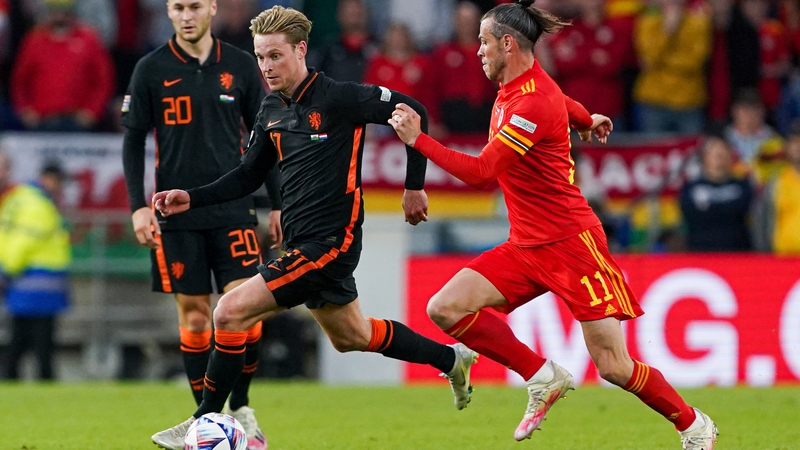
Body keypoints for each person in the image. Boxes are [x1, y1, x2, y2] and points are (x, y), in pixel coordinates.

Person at [387, 1, 719, 449]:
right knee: (445, 308)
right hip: (526, 245)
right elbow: (561, 101)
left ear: (507, 43)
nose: (478, 51)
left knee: (613, 365)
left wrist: (418, 140)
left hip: (571, 246)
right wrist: (586, 118)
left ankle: (694, 426)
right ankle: (542, 376)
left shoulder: (530, 103)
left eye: (484, 42)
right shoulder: (524, 87)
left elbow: (484, 174)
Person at [149, 6, 476, 449]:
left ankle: (202, 421)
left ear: (300, 50)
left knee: (228, 310)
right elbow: (248, 175)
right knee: (352, 336)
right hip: (304, 242)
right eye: (260, 57)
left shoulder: (340, 97)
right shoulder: (270, 108)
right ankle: (451, 358)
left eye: (275, 56)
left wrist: (413, 187)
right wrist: (192, 197)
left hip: (332, 244)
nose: (266, 67)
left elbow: (412, 108)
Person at [120, 1, 278, 449]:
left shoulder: (242, 66)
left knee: (243, 310)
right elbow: (133, 140)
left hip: (234, 209)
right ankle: (206, 422)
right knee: (194, 318)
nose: (186, 15)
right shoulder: (151, 68)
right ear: (168, 12)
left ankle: (241, 406)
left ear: (211, 7)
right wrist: (138, 206)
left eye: (194, 5)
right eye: (176, 7)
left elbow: (267, 136)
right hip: (175, 215)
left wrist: (280, 204)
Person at [0, 154, 71, 380]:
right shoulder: (37, 204)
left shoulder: (19, 198)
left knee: (19, 338)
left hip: (23, 281)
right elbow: (25, 241)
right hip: (37, 283)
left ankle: (10, 380)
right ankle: (43, 381)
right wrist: (8, 270)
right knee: (42, 342)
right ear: (49, 179)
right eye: (59, 181)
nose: (60, 187)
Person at [10, 0, 115, 132]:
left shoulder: (89, 39)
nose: (59, 15)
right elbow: (19, 80)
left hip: (77, 120)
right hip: (42, 120)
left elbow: (103, 80)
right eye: (55, 11)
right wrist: (25, 109)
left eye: (63, 11)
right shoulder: (34, 40)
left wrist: (92, 111)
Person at [679, 136, 754, 251]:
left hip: (738, 255)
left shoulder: (743, 186)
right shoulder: (691, 188)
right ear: (705, 158)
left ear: (731, 158)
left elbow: (744, 215)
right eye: (715, 154)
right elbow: (691, 218)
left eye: (723, 154)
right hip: (701, 255)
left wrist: (709, 208)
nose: (719, 159)